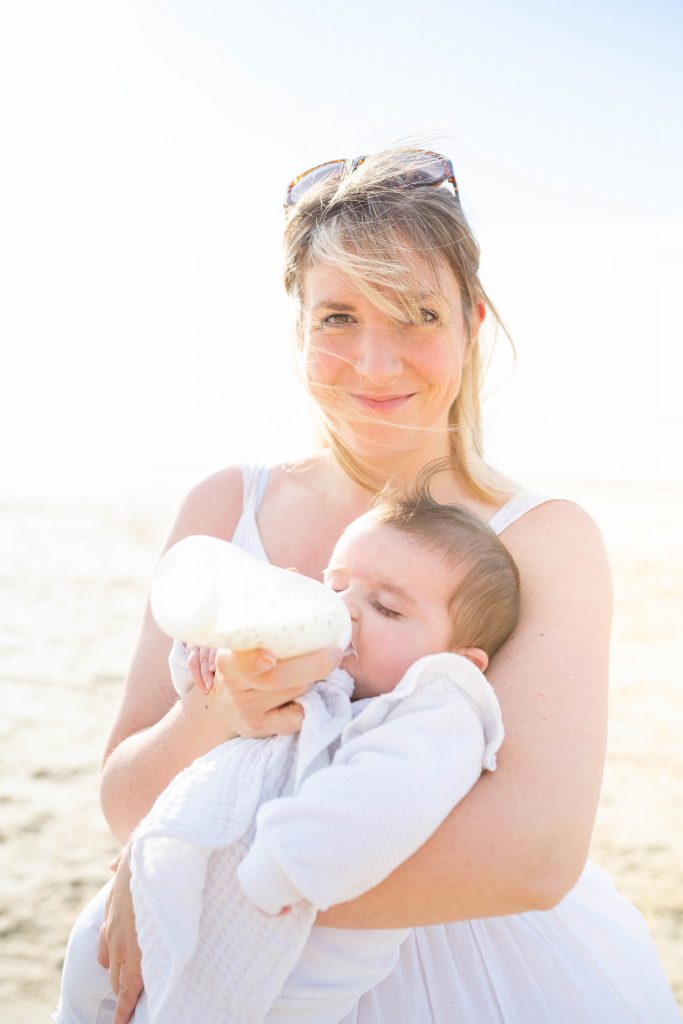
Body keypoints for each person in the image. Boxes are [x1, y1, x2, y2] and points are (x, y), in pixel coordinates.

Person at [91, 148, 678, 1022]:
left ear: (471, 324)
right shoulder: (225, 506)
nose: (373, 362)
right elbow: (123, 801)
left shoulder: (540, 539)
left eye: (416, 314)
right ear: (296, 327)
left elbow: (532, 857)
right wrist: (217, 712)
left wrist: (194, 890)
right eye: (336, 316)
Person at [55, 488, 516, 1023]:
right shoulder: (304, 671)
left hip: (268, 961)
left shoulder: (428, 714)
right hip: (128, 932)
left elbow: (386, 800)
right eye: (337, 584)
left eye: (387, 607)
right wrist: (211, 654)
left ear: (458, 661)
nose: (345, 609)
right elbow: (193, 692)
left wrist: (286, 866)